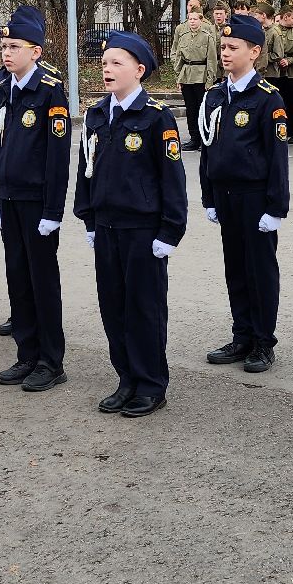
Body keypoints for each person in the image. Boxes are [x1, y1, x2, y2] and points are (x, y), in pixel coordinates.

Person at [75, 31, 187, 418]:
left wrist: (170, 231)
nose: (107, 69)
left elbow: (172, 179)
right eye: (104, 63)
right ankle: (126, 378)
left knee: (144, 308)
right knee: (114, 307)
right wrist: (87, 215)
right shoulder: (95, 115)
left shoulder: (155, 117)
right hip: (106, 226)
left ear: (139, 71)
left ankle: (151, 383)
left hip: (143, 232)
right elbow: (84, 172)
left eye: (116, 63)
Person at [0, 6, 72, 392]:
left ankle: (51, 361)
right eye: (3, 45)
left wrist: (53, 210)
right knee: (17, 277)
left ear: (35, 51)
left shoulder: (50, 90)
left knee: (41, 280)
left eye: (14, 46)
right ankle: (26, 353)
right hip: (11, 198)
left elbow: (58, 158)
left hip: (37, 203)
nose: (6, 52)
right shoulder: (1, 91)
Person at [196, 13, 289, 374]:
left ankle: (263, 342)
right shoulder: (216, 96)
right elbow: (208, 147)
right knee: (235, 267)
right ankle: (242, 334)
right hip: (226, 194)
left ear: (255, 51)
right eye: (222, 46)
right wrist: (209, 196)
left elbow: (277, 158)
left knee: (259, 269)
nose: (225, 52)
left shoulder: (268, 98)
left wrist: (276, 207)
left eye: (233, 47)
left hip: (255, 197)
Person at [170, 5, 219, 152]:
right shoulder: (184, 37)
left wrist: (210, 80)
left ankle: (204, 139)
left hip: (201, 75)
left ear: (201, 20)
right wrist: (179, 77)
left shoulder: (207, 36)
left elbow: (212, 60)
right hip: (187, 74)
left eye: (194, 19)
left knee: (202, 109)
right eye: (190, 19)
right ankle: (194, 138)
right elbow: (179, 58)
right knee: (190, 110)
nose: (191, 22)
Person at [266, 5, 293, 146]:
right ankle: (280, 131)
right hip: (276, 73)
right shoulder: (274, 31)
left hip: (292, 73)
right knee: (279, 104)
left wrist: (289, 60)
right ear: (285, 17)